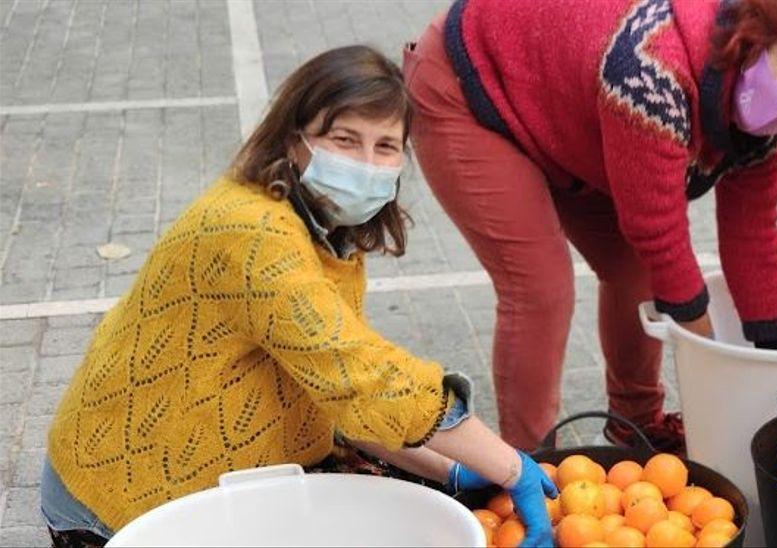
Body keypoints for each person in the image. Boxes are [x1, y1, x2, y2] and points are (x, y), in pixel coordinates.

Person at [41, 46, 555, 548]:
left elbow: (335, 391)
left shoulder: (326, 234)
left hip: (231, 468)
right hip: (124, 503)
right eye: (344, 139)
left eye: (385, 147)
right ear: (293, 141)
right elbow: (365, 377)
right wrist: (511, 466)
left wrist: (455, 470)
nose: (367, 162)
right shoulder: (253, 232)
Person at [405, 0, 777, 453]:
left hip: (567, 115)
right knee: (542, 288)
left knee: (636, 276)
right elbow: (659, 235)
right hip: (472, 86)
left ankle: (636, 424)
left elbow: (754, 245)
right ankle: (528, 464)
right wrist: (711, 366)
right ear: (759, 34)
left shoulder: (759, 136)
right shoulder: (652, 71)